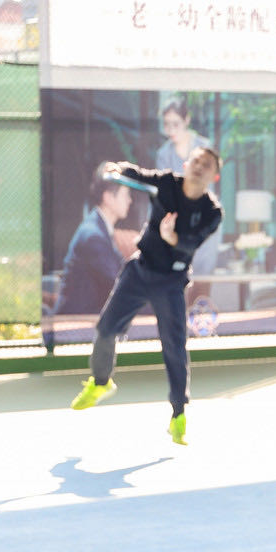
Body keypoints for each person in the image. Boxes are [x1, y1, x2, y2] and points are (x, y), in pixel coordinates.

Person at [70, 147, 224, 446]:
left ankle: (178, 415)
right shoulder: (166, 183)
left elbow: (192, 243)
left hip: (172, 282)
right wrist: (118, 168)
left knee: (175, 348)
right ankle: (101, 382)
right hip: (140, 272)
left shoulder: (212, 212)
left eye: (207, 164)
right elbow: (137, 174)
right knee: (106, 329)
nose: (199, 166)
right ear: (186, 164)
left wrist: (172, 238)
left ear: (214, 176)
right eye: (196, 160)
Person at [52, 164, 138, 316]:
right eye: (126, 195)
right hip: (75, 324)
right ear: (108, 198)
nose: (130, 200)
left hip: (87, 320)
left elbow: (124, 270)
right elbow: (120, 283)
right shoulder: (93, 236)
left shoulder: (100, 230)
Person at [155, 99, 220, 277]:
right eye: (166, 124)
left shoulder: (205, 147)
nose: (171, 130)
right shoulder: (164, 154)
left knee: (203, 279)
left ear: (187, 120)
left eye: (175, 124)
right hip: (178, 223)